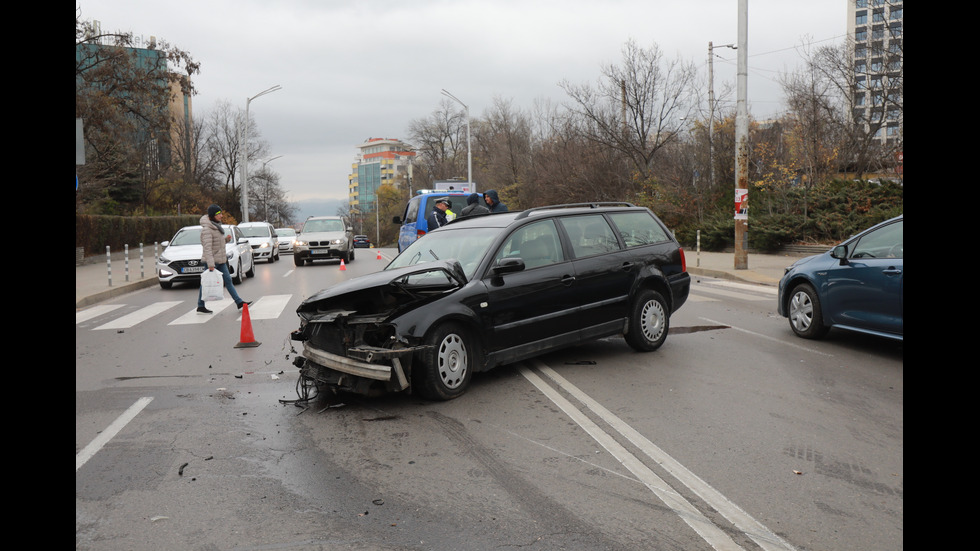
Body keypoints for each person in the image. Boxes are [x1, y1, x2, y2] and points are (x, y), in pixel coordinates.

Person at [197, 204, 251, 314]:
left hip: (221, 260)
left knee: (228, 281)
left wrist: (225, 240)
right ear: (212, 215)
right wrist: (211, 264)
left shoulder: (216, 226)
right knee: (206, 283)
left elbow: (217, 244)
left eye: (221, 213)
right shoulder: (207, 229)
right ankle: (200, 306)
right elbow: (207, 248)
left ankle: (239, 302)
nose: (221, 215)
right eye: (219, 214)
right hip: (212, 261)